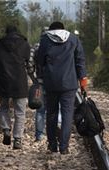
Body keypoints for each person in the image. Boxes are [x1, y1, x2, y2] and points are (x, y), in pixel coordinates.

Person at [35, 21, 88, 154]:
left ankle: (52, 145)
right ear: (63, 29)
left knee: (51, 113)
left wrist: (41, 75)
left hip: (51, 82)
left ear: (51, 29)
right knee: (67, 114)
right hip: (69, 84)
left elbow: (39, 60)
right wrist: (83, 83)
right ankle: (64, 147)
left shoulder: (45, 40)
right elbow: (80, 61)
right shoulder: (73, 39)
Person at [0, 26, 31, 150]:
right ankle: (17, 139)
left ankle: (6, 129)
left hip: (3, 80)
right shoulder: (24, 44)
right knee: (20, 111)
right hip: (19, 81)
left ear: (6, 32)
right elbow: (28, 61)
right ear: (17, 33)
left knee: (3, 107)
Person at [28, 27, 49, 142]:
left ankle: (39, 135)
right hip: (54, 83)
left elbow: (30, 65)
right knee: (56, 108)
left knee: (40, 110)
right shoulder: (56, 47)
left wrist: (34, 79)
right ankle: (56, 128)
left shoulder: (35, 47)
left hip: (40, 82)